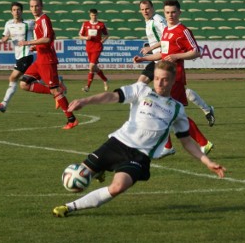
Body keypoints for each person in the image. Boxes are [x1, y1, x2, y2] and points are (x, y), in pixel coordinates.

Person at [51, 60, 226, 218]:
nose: (159, 82)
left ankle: (69, 207)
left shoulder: (177, 109)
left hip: (139, 156)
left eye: (165, 79)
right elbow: (112, 96)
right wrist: (86, 101)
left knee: (118, 187)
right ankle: (100, 170)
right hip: (117, 143)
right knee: (80, 175)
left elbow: (186, 141)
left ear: (173, 81)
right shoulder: (141, 90)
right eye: (157, 78)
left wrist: (207, 162)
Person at [133, 0, 213, 157]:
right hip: (165, 76)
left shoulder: (183, 30)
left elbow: (196, 51)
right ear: (164, 13)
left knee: (161, 111)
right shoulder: (167, 31)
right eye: (168, 12)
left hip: (174, 77)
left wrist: (176, 56)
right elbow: (163, 54)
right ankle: (193, 144)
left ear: (179, 12)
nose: (170, 15)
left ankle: (172, 146)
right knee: (171, 113)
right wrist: (144, 59)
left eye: (173, 12)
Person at [18, 0, 77, 130]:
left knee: (55, 90)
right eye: (32, 6)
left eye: (37, 6)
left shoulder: (44, 19)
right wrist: (35, 46)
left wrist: (28, 42)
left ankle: (71, 119)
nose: (34, 8)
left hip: (47, 60)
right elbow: (51, 36)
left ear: (41, 6)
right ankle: (57, 91)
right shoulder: (38, 21)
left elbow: (47, 39)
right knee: (24, 84)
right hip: (40, 59)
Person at [0, 2, 35, 113]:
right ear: (11, 12)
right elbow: (4, 37)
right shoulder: (8, 24)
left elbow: (41, 29)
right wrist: (5, 38)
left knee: (13, 78)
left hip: (27, 55)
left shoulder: (28, 23)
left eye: (18, 9)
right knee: (28, 80)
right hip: (18, 56)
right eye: (14, 10)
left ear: (22, 11)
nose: (16, 12)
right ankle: (55, 81)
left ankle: (3, 104)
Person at [78, 9, 109, 93]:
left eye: (95, 15)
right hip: (89, 47)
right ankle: (105, 79)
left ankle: (87, 86)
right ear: (90, 15)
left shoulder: (101, 24)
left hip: (97, 47)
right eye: (92, 15)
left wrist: (102, 40)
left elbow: (106, 34)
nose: (94, 17)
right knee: (93, 68)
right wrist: (86, 38)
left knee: (91, 66)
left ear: (97, 15)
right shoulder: (85, 24)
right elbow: (80, 35)